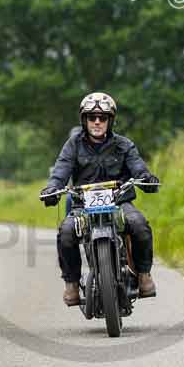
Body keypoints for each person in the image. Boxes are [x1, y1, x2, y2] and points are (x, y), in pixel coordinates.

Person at [39, 92, 160, 306]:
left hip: (119, 202)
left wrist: (146, 178)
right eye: (92, 117)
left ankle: (143, 275)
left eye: (102, 117)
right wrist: (52, 188)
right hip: (82, 206)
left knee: (140, 225)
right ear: (84, 120)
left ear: (110, 120)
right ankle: (72, 284)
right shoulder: (72, 145)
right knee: (66, 232)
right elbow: (61, 170)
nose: (97, 121)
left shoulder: (124, 145)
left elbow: (138, 167)